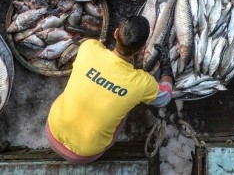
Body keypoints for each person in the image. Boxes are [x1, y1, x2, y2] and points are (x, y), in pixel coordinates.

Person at [47, 16, 173, 164]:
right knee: (123, 110)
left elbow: (99, 47)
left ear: (115, 33)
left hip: (52, 132)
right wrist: (166, 69)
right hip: (84, 154)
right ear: (142, 48)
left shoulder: (88, 48)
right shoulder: (142, 83)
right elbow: (164, 97)